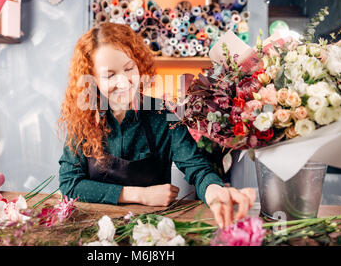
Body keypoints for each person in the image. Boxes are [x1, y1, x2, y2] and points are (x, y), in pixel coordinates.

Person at [57, 22, 256, 229]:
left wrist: (215, 192)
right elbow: (70, 185)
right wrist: (140, 195)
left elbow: (197, 168)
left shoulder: (163, 114)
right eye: (110, 75)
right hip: (91, 227)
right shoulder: (83, 118)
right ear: (92, 78)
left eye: (128, 68)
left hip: (149, 229)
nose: (124, 82)